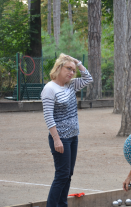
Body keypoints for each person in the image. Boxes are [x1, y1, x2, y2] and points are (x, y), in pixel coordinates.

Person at [41, 53, 93, 207]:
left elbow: (88, 79)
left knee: (68, 174)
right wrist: (56, 139)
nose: (71, 72)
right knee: (62, 174)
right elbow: (48, 116)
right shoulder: (49, 88)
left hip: (73, 137)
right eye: (68, 68)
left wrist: (78, 62)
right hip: (61, 138)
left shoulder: (71, 84)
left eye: (73, 70)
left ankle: (62, 204)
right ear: (59, 68)